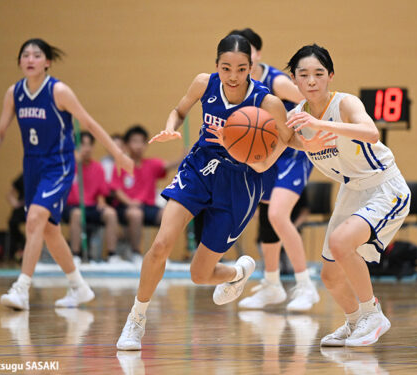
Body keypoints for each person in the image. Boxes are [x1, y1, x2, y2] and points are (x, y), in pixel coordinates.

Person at [116, 34, 334, 351]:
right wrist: (171, 126)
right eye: (226, 67)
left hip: (240, 182)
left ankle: (237, 272)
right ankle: (136, 320)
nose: (233, 76)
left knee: (199, 274)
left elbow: (287, 138)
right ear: (216, 64)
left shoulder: (267, 101)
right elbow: (179, 110)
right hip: (200, 168)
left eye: (241, 69)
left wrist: (313, 144)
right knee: (162, 243)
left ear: (251, 67)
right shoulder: (204, 83)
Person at [0, 38, 133, 310]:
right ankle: (79, 287)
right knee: (49, 230)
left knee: (35, 218)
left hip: (59, 165)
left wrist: (118, 154)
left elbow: (89, 123)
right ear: (19, 62)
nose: (30, 59)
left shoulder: (58, 91)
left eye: (36, 55)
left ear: (47, 62)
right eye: (25, 55)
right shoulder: (14, 93)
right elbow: (0, 131)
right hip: (32, 166)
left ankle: (21, 288)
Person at [286, 44, 410, 347]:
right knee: (329, 275)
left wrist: (320, 124)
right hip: (351, 190)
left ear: (330, 76)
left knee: (342, 243)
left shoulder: (345, 103)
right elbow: (269, 152)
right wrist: (232, 143)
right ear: (295, 80)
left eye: (318, 73)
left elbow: (371, 133)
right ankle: (355, 322)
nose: (312, 81)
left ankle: (373, 314)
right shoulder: (296, 118)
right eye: (304, 75)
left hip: (384, 185)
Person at [228, 28, 319, 312]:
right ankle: (271, 285)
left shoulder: (276, 81)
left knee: (278, 215)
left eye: (247, 51)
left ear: (257, 53)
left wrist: (293, 121)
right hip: (265, 157)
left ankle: (306, 286)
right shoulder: (236, 84)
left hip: (294, 153)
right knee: (267, 219)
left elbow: (313, 101)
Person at [111, 125, 183, 263]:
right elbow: (116, 190)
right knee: (135, 214)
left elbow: (169, 165)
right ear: (126, 145)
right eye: (134, 141)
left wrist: (183, 156)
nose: (138, 146)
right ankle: (136, 253)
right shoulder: (121, 164)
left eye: (142, 142)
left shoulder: (152, 164)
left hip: (147, 207)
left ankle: (161, 254)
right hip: (125, 207)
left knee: (166, 214)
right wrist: (130, 202)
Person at [63, 131, 120, 262]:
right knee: (76, 214)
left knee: (111, 214)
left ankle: (112, 255)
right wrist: (74, 163)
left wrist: (101, 202)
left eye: (89, 145)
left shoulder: (98, 168)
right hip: (72, 206)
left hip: (91, 206)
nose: (86, 148)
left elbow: (102, 192)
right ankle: (76, 255)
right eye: (82, 144)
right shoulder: (69, 166)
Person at [6, 172, 26, 261]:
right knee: (12, 222)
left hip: (37, 206)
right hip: (23, 206)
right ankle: (21, 243)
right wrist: (15, 203)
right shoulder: (23, 176)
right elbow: (9, 194)